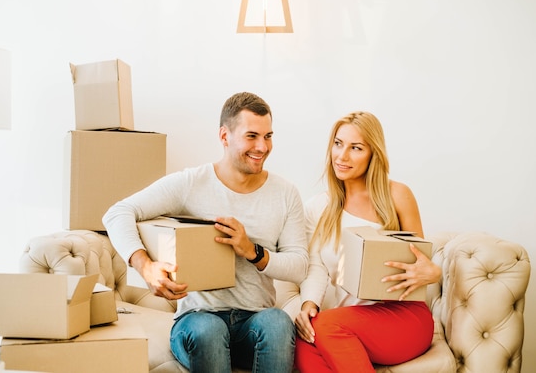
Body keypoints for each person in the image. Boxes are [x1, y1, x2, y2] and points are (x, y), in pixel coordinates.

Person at [103, 91, 308, 373]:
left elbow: (299, 267)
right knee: (209, 329)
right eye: (252, 136)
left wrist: (253, 251)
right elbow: (117, 213)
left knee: (277, 321)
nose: (262, 147)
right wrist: (145, 266)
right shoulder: (191, 183)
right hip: (197, 321)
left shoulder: (285, 194)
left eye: (268, 136)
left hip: (254, 324)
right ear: (224, 136)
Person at [294, 111, 442, 372]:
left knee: (326, 325)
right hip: (346, 323)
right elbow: (316, 267)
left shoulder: (397, 195)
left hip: (403, 318)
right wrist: (309, 304)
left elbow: (422, 261)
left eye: (356, 148)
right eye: (338, 144)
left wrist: (433, 272)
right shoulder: (318, 207)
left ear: (373, 153)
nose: (342, 156)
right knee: (302, 341)